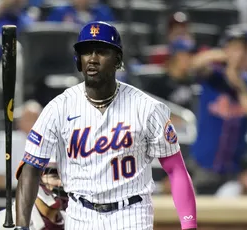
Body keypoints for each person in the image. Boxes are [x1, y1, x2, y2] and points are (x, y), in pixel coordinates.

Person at [14, 21, 197, 230]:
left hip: (131, 212)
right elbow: (31, 166)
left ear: (118, 59)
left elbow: (175, 169)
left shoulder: (146, 108)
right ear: (78, 60)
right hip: (80, 213)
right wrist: (21, 226)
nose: (92, 59)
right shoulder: (59, 107)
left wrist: (189, 225)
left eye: (101, 52)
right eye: (86, 52)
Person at [188, 33, 247, 194]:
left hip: (234, 166)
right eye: (236, 49)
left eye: (244, 51)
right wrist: (223, 56)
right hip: (204, 162)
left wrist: (237, 81)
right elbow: (194, 64)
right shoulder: (213, 75)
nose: (240, 55)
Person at [0, 162, 67, 230]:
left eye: (66, 177)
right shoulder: (3, 223)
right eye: (55, 176)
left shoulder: (73, 220)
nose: (62, 183)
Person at [0, 100, 43, 191]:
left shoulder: (51, 143)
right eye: (29, 119)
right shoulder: (8, 141)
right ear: (19, 122)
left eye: (36, 119)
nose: (33, 123)